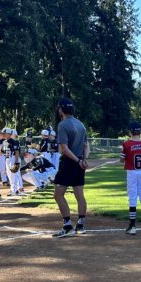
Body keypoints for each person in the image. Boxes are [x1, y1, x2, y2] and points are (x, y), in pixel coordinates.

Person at [52, 97, 89, 238]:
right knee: (79, 195)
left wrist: (77, 161)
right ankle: (80, 225)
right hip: (79, 162)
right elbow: (86, 145)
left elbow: (64, 149)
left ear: (61, 109)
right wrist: (83, 160)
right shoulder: (81, 124)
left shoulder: (63, 125)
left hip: (69, 162)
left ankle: (67, 225)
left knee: (58, 194)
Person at [121, 121, 141, 235]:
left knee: (132, 197)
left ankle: (132, 226)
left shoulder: (127, 144)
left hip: (132, 173)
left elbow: (122, 159)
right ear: (139, 132)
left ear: (130, 131)